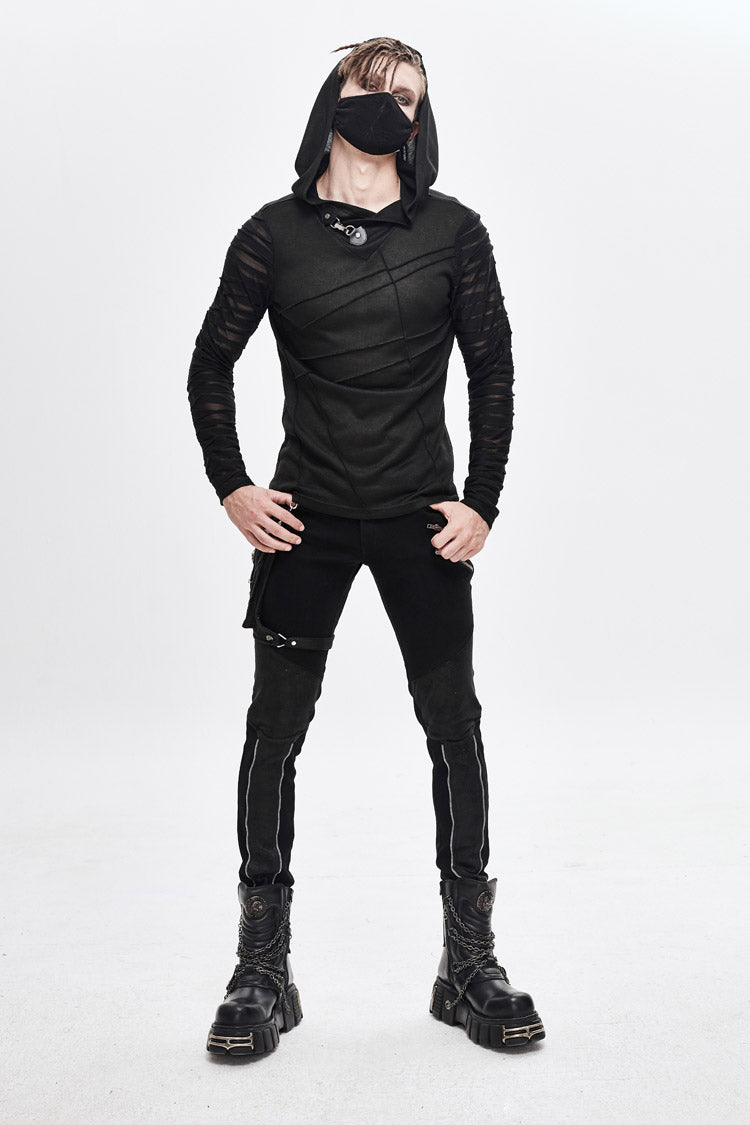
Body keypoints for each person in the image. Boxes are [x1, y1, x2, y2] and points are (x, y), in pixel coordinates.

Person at [188, 36, 545, 1057]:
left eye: (408, 98)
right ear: (333, 100)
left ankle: (469, 964)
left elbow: (494, 370)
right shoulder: (272, 235)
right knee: (274, 730)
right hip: (303, 518)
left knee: (453, 725)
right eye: (370, 88)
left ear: (421, 122)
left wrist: (482, 503)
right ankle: (262, 971)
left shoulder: (453, 232)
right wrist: (233, 486)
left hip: (418, 520)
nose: (388, 106)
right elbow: (211, 362)